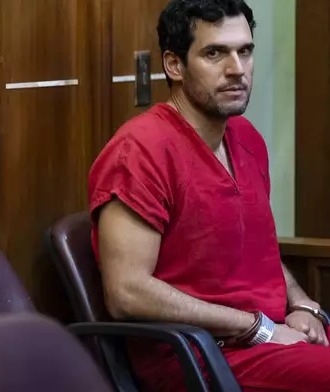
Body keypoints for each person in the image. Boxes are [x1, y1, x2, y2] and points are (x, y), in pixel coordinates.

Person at [88, 0, 330, 391]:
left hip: (270, 341)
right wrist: (257, 328)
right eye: (215, 53)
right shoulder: (140, 150)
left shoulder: (246, 137)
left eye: (245, 51)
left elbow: (257, 249)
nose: (237, 69)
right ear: (174, 65)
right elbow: (126, 292)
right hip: (199, 355)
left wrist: (300, 303)